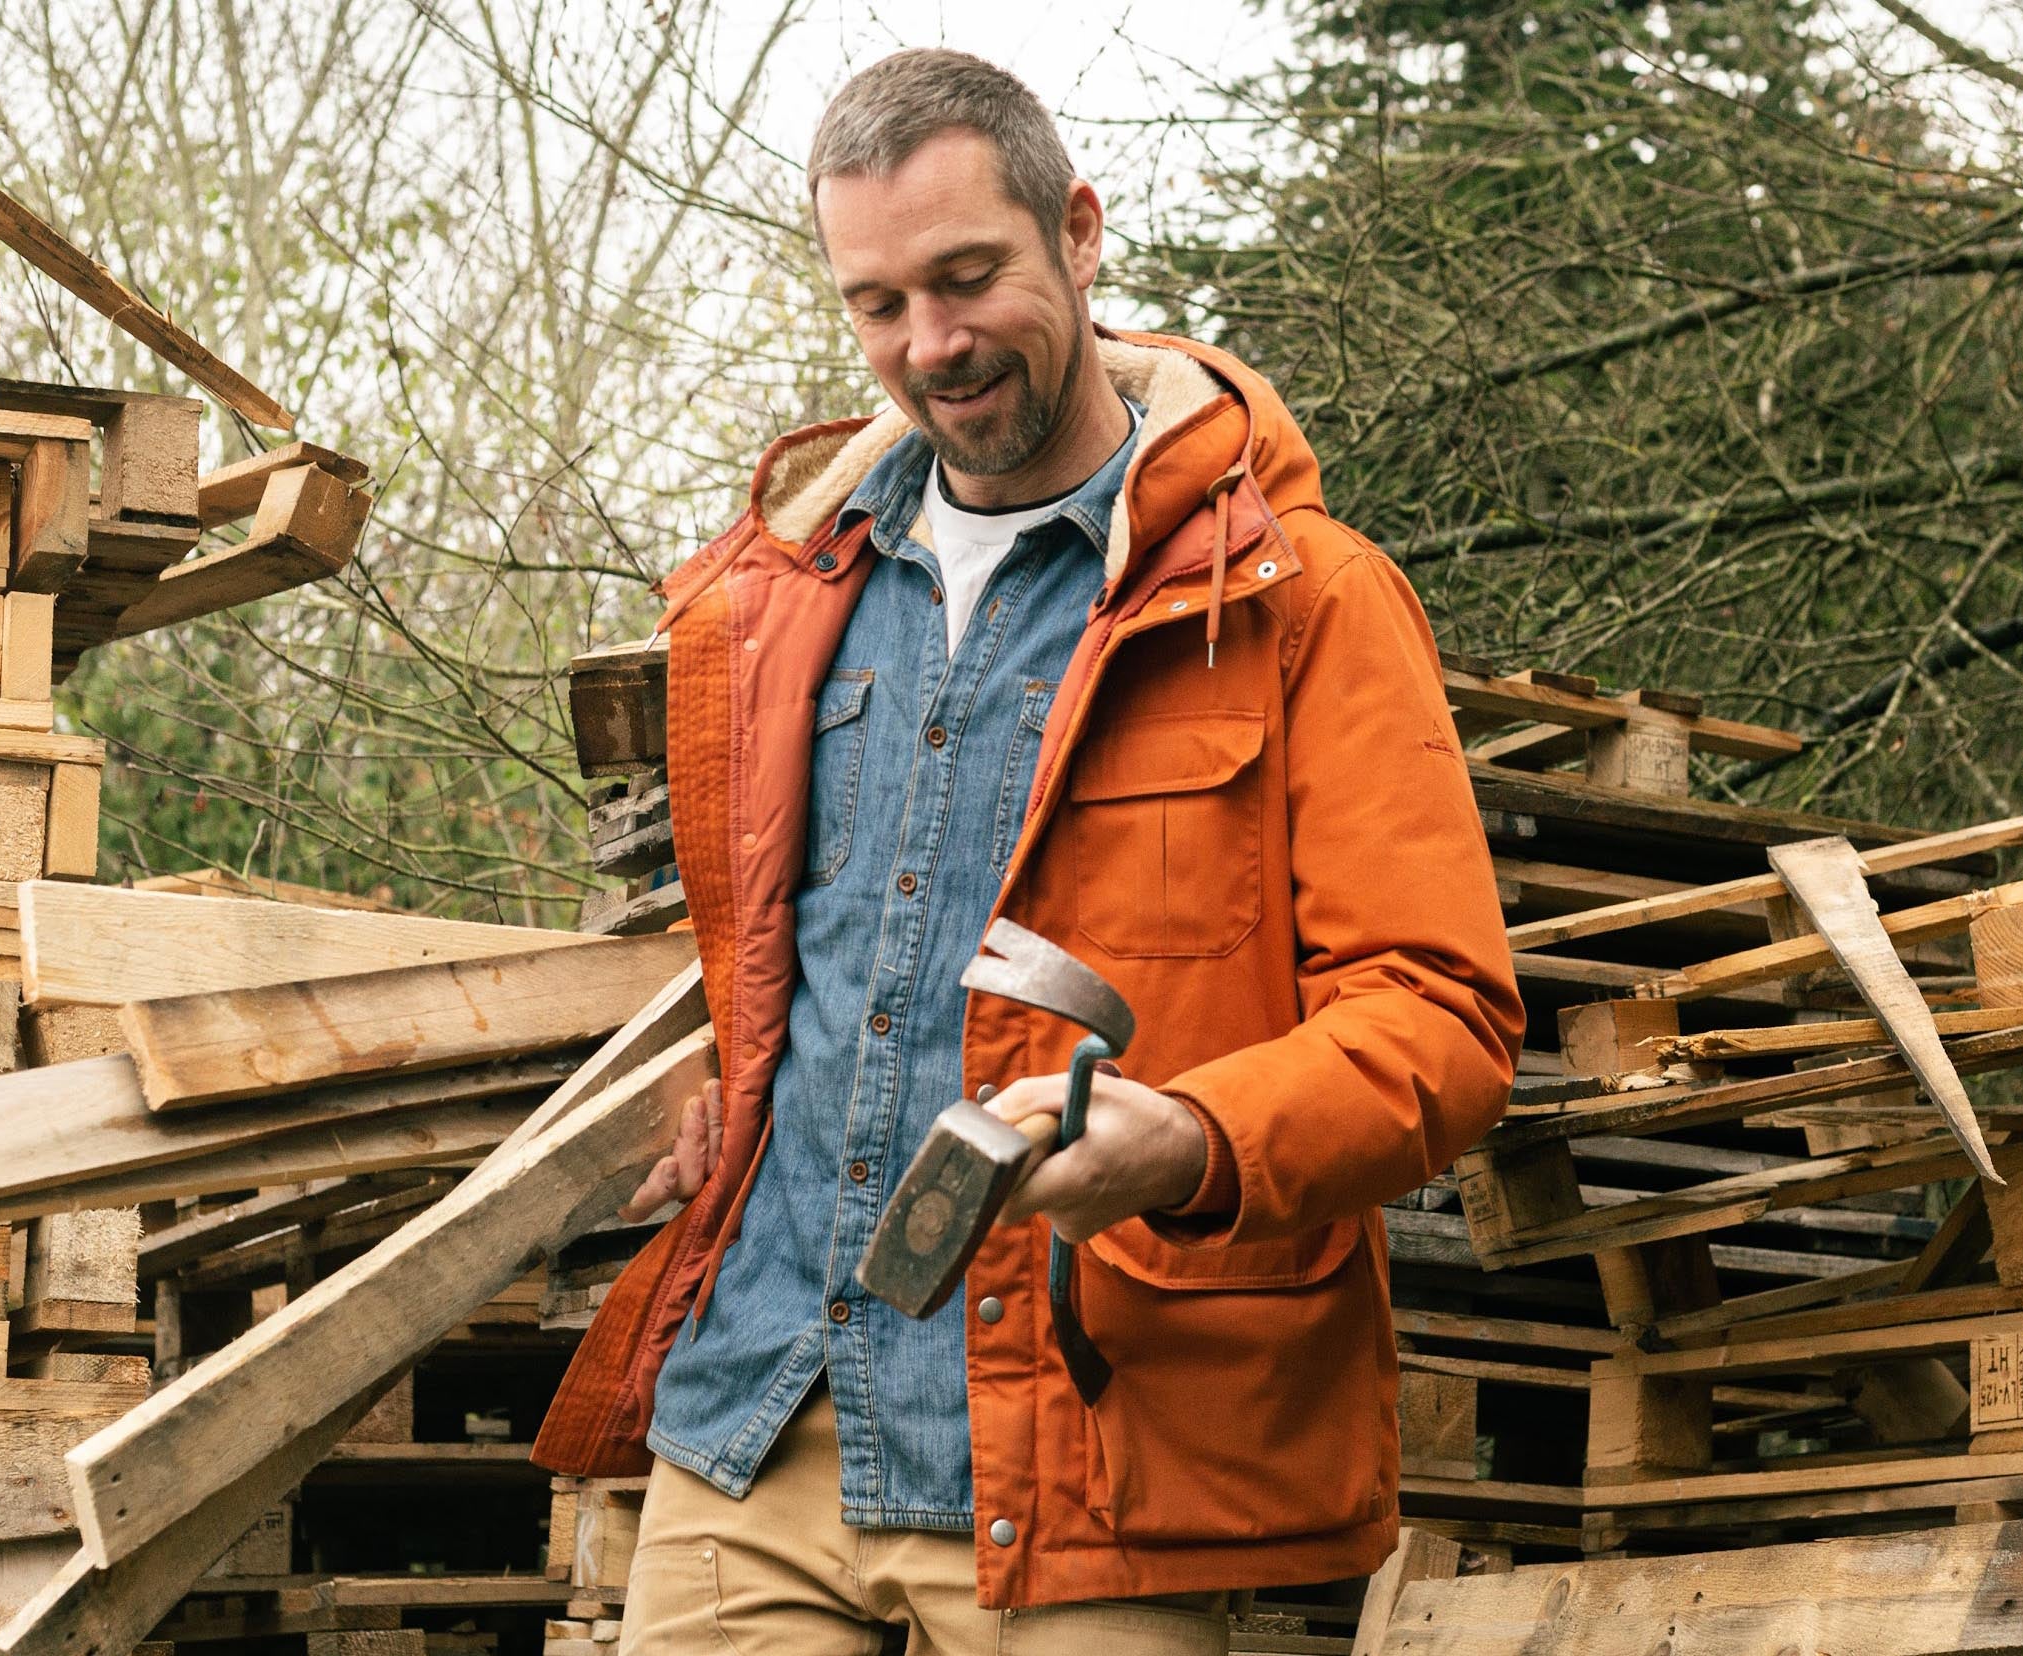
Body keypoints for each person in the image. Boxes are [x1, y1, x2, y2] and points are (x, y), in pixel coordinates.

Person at [533, 47, 1521, 1656]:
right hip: (759, 1423)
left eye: (968, 275)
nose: (930, 345)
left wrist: (1191, 1139)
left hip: (1086, 1452)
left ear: (1079, 230)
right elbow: (770, 950)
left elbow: (1444, 1022)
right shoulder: (780, 602)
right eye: (877, 302)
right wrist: (711, 1066)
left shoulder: (1300, 602)